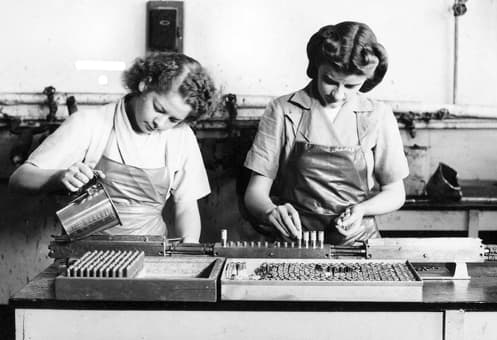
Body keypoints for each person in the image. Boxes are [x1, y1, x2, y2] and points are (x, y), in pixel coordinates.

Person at [9, 52, 217, 242]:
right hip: (85, 259)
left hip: (152, 257)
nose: (160, 124)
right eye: (159, 109)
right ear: (145, 84)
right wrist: (57, 178)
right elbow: (19, 179)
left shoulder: (180, 136)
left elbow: (186, 206)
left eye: (173, 119)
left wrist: (188, 255)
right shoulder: (89, 124)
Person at [243, 21, 409, 245]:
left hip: (359, 243)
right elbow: (254, 194)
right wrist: (271, 211)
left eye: (351, 86)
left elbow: (395, 192)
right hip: (296, 243)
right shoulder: (283, 110)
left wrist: (362, 210)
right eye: (330, 81)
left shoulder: (378, 115)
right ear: (315, 68)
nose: (338, 94)